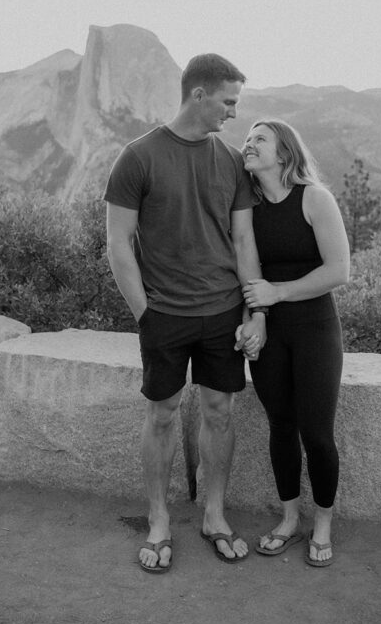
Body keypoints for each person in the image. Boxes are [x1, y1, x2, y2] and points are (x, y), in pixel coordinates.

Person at [104, 54, 267, 573]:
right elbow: (118, 244)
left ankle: (214, 515)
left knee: (220, 412)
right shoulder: (138, 157)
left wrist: (252, 308)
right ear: (199, 95)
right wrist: (144, 314)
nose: (233, 113)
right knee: (162, 414)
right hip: (164, 316)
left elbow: (243, 240)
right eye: (228, 101)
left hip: (223, 312)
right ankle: (157, 519)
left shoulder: (230, 163)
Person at [241, 119, 350, 566]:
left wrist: (278, 292)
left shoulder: (315, 199)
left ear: (284, 152)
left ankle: (322, 523)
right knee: (280, 427)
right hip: (269, 332)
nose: (248, 144)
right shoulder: (247, 208)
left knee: (317, 434)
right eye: (246, 139)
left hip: (315, 330)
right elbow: (247, 273)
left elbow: (339, 271)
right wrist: (257, 318)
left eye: (259, 139)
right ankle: (289, 519)